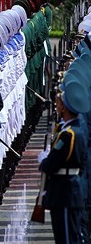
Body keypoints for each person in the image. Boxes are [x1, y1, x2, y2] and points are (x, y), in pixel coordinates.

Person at [39, 77, 88, 244]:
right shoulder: (73, 129)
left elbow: (51, 165)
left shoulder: (69, 135)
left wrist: (44, 160)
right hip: (69, 189)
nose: (57, 104)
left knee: (67, 238)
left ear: (65, 108)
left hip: (65, 192)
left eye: (59, 102)